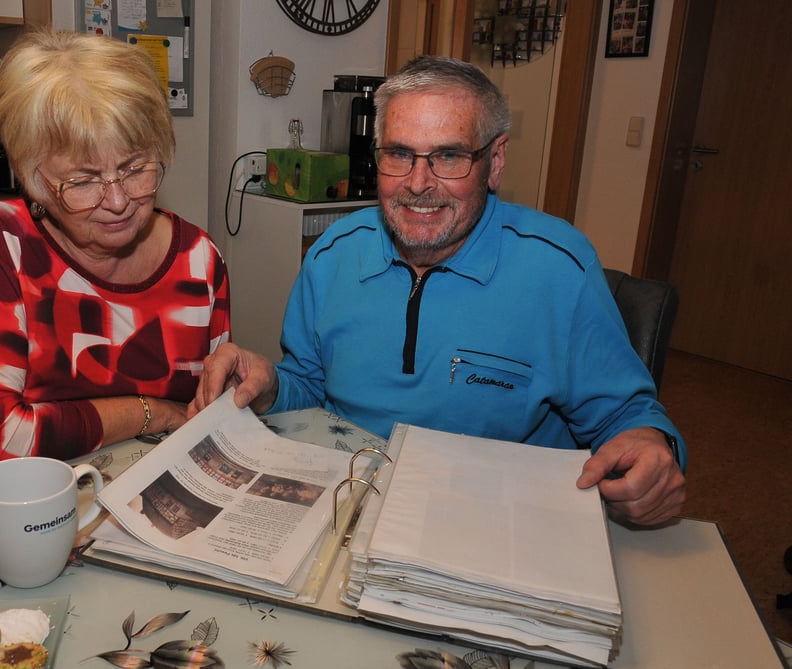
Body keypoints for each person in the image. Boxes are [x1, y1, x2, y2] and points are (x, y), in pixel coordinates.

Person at [191, 55, 685, 526]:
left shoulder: (560, 270)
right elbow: (310, 386)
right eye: (399, 154)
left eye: (449, 156)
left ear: (495, 161)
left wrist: (649, 446)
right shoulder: (331, 256)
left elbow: (628, 416)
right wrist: (270, 383)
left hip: (495, 519)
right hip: (344, 501)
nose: (418, 183)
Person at [0, 29, 230, 470]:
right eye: (83, 181)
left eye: (135, 167)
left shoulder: (200, 261)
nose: (117, 200)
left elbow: (208, 418)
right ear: (34, 179)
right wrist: (152, 412)